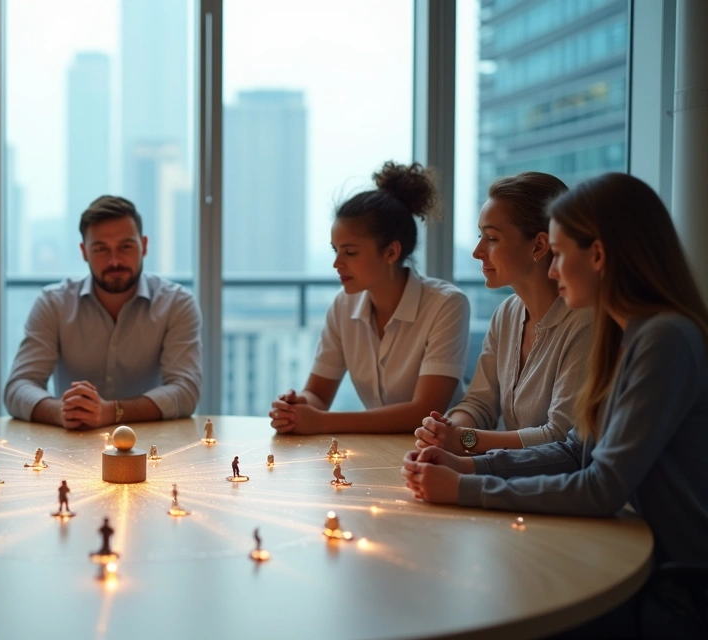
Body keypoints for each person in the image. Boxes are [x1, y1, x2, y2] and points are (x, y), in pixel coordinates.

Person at [402, 173, 708, 635]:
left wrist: (465, 488)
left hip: (675, 581)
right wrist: (468, 468)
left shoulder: (663, 339)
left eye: (560, 254)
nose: (551, 269)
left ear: (599, 256)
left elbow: (601, 485)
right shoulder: (625, 335)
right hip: (629, 554)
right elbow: (573, 449)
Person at [271, 161, 470, 434]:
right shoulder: (344, 305)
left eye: (350, 252)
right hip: (379, 449)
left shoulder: (446, 304)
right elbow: (317, 394)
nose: (337, 263)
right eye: (335, 250)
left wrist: (322, 421)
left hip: (441, 454)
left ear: (391, 253)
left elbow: (425, 411)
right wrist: (294, 406)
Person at [416, 172, 591, 455]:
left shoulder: (585, 321)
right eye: (479, 236)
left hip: (550, 490)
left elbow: (560, 436)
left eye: (491, 238)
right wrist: (447, 429)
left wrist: (464, 440)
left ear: (538, 245)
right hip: (511, 477)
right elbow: (479, 404)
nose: (477, 251)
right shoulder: (507, 314)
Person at [5, 195, 202, 429]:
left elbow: (186, 390)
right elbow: (19, 386)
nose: (115, 260)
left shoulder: (177, 303)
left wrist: (114, 412)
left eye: (125, 247)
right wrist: (61, 412)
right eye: (101, 249)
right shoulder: (53, 303)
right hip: (71, 444)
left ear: (144, 246)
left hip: (154, 447)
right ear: (84, 251)